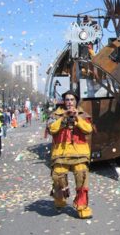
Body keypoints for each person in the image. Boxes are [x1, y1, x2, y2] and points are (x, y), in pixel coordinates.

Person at [48, 90, 93, 219]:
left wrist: (77, 118)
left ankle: (82, 207)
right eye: (67, 100)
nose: (69, 102)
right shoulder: (56, 115)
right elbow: (51, 129)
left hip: (79, 153)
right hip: (60, 154)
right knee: (58, 178)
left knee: (82, 179)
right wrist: (63, 118)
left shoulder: (83, 114)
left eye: (72, 100)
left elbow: (88, 129)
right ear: (64, 101)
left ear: (76, 101)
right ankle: (60, 199)